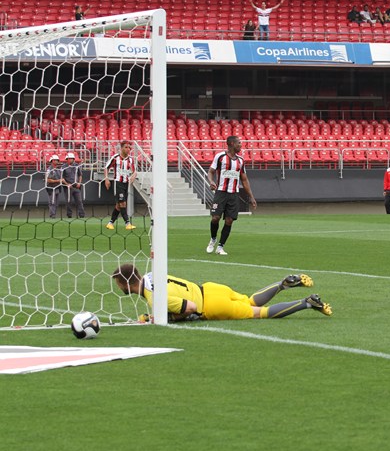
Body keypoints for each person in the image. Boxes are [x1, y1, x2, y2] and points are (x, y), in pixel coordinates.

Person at [111, 264, 331, 321]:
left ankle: (306, 303)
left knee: (259, 313)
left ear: (124, 282)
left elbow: (191, 309)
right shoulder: (151, 274)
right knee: (249, 300)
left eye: (118, 284)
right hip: (211, 288)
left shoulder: (153, 298)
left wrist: (161, 318)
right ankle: (282, 284)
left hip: (212, 307)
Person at [206, 135, 257, 256]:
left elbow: (244, 180)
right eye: (239, 143)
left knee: (229, 220)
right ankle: (213, 239)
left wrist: (251, 196)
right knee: (215, 218)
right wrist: (211, 181)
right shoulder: (220, 157)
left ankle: (220, 247)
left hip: (234, 194)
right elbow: (210, 172)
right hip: (220, 192)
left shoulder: (240, 160)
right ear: (232, 144)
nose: (241, 145)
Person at [104, 140, 137, 230]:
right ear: (121, 148)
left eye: (129, 147)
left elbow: (134, 172)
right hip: (118, 183)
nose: (128, 149)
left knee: (119, 205)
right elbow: (106, 168)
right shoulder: (115, 158)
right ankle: (127, 223)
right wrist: (106, 179)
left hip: (126, 184)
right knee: (123, 203)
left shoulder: (130, 159)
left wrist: (133, 177)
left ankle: (110, 223)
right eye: (126, 147)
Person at [61, 152, 85, 218]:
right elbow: (62, 178)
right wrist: (67, 184)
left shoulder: (77, 166)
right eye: (70, 158)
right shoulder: (63, 167)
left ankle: (82, 215)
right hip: (68, 188)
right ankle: (69, 215)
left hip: (76, 187)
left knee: (79, 201)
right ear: (67, 159)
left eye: (72, 158)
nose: (71, 160)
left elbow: (80, 175)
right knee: (68, 202)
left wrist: (79, 183)